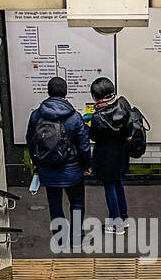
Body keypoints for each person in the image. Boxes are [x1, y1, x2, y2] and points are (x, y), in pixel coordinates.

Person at [26, 76, 91, 251]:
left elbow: (30, 141)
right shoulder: (75, 117)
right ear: (65, 92)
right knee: (76, 203)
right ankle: (76, 238)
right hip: (72, 170)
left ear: (48, 92)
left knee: (55, 203)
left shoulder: (36, 115)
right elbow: (84, 146)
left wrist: (37, 163)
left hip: (47, 168)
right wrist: (87, 166)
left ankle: (60, 239)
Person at [88, 76, 133, 232]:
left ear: (96, 96)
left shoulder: (97, 116)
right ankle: (124, 217)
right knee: (118, 185)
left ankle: (116, 224)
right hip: (121, 154)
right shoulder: (122, 105)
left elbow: (93, 136)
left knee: (109, 189)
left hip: (106, 157)